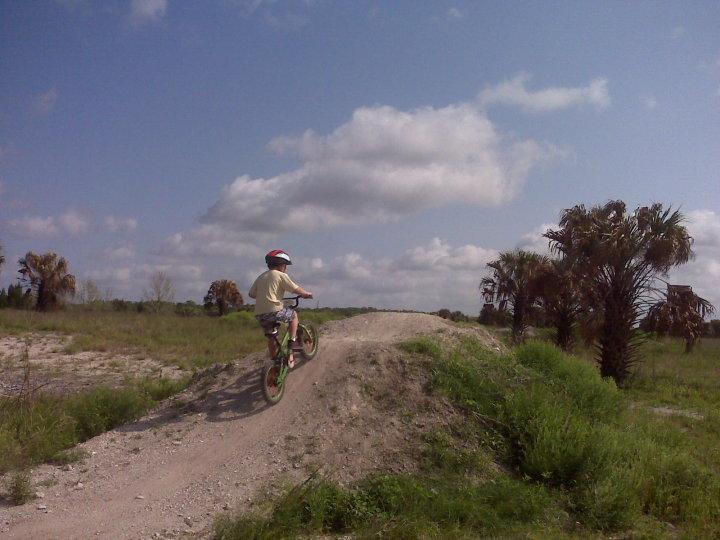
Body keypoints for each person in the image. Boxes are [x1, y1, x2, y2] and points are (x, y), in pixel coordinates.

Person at [248, 250, 313, 368]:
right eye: (285, 266)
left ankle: (274, 362)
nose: (286, 268)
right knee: (293, 315)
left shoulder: (261, 276)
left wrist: (266, 293)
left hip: (260, 313)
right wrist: (306, 294)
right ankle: (292, 342)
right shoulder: (280, 275)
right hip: (274, 310)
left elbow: (252, 294)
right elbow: (294, 288)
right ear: (281, 264)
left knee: (271, 335)